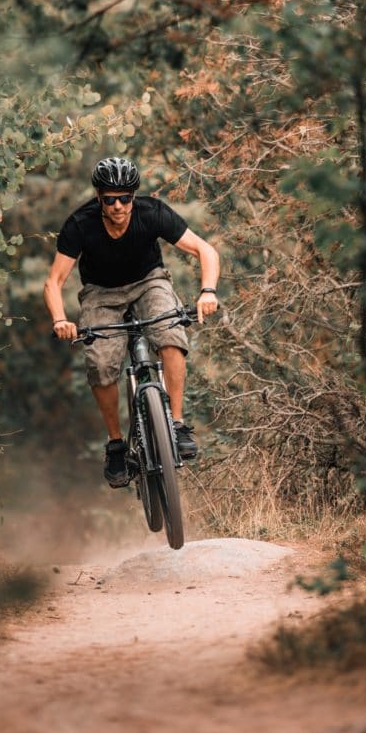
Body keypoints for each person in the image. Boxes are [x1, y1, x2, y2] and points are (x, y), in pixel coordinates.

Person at [44, 156, 220, 487]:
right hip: (101, 293)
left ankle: (178, 424)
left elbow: (205, 251)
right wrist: (59, 320)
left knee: (171, 334)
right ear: (99, 198)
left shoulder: (151, 213)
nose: (119, 206)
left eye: (126, 197)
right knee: (100, 363)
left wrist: (207, 291)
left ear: (133, 196)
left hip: (148, 281)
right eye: (110, 199)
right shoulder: (80, 224)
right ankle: (115, 445)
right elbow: (53, 282)